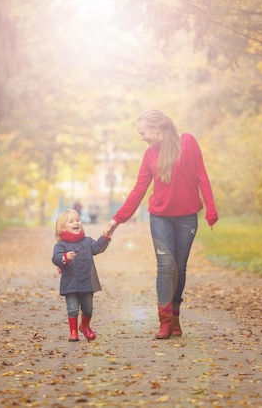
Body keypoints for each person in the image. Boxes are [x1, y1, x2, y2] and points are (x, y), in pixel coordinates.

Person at [105, 109, 218, 339]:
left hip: (186, 217)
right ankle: (165, 321)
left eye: (143, 132)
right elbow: (139, 189)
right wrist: (117, 219)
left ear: (157, 129)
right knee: (166, 266)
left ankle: (175, 313)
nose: (141, 137)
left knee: (180, 267)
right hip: (160, 216)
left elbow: (201, 176)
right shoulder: (149, 155)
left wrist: (211, 209)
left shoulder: (188, 142)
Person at [52, 209, 111, 341]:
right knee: (72, 308)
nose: (76, 223)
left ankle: (85, 326)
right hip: (70, 281)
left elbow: (97, 248)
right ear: (62, 227)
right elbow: (55, 258)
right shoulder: (61, 245)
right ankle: (73, 332)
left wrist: (105, 237)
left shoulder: (87, 241)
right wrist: (64, 257)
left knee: (88, 308)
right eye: (71, 221)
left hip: (87, 281)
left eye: (77, 220)